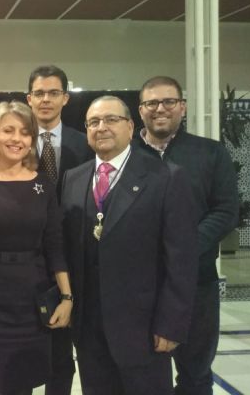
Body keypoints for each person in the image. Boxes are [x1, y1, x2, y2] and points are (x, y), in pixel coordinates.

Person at [61, 95, 198, 395]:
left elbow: (182, 259)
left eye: (111, 119)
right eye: (93, 122)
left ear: (130, 126)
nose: (102, 127)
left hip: (144, 328)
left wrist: (171, 323)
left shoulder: (165, 178)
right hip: (89, 329)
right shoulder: (73, 179)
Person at [0, 100, 73, 395]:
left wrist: (67, 297)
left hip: (33, 302)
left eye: (24, 132)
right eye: (8, 130)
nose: (17, 139)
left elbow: (54, 244)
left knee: (24, 383)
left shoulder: (43, 185)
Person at [135, 76, 239, 395]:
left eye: (168, 101)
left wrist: (182, 250)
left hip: (196, 281)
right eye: (151, 103)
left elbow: (225, 212)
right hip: (141, 284)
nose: (160, 109)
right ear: (141, 111)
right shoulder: (126, 155)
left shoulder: (210, 153)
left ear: (183, 107)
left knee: (195, 372)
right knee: (142, 372)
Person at [26, 65, 92, 395]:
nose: (46, 99)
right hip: (27, 262)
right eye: (39, 93)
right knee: (25, 347)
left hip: (75, 260)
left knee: (64, 353)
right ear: (29, 99)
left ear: (65, 98)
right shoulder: (15, 143)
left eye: (53, 93)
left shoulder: (87, 145)